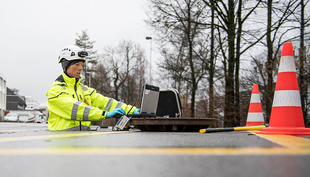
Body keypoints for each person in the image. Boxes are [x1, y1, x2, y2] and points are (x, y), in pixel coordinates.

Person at [46, 45, 139, 131]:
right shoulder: (55, 91)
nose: (81, 68)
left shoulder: (84, 90)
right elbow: (76, 109)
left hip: (82, 142)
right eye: (77, 64)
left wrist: (132, 110)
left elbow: (106, 103)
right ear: (65, 66)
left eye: (82, 65)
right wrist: (104, 114)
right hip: (61, 144)